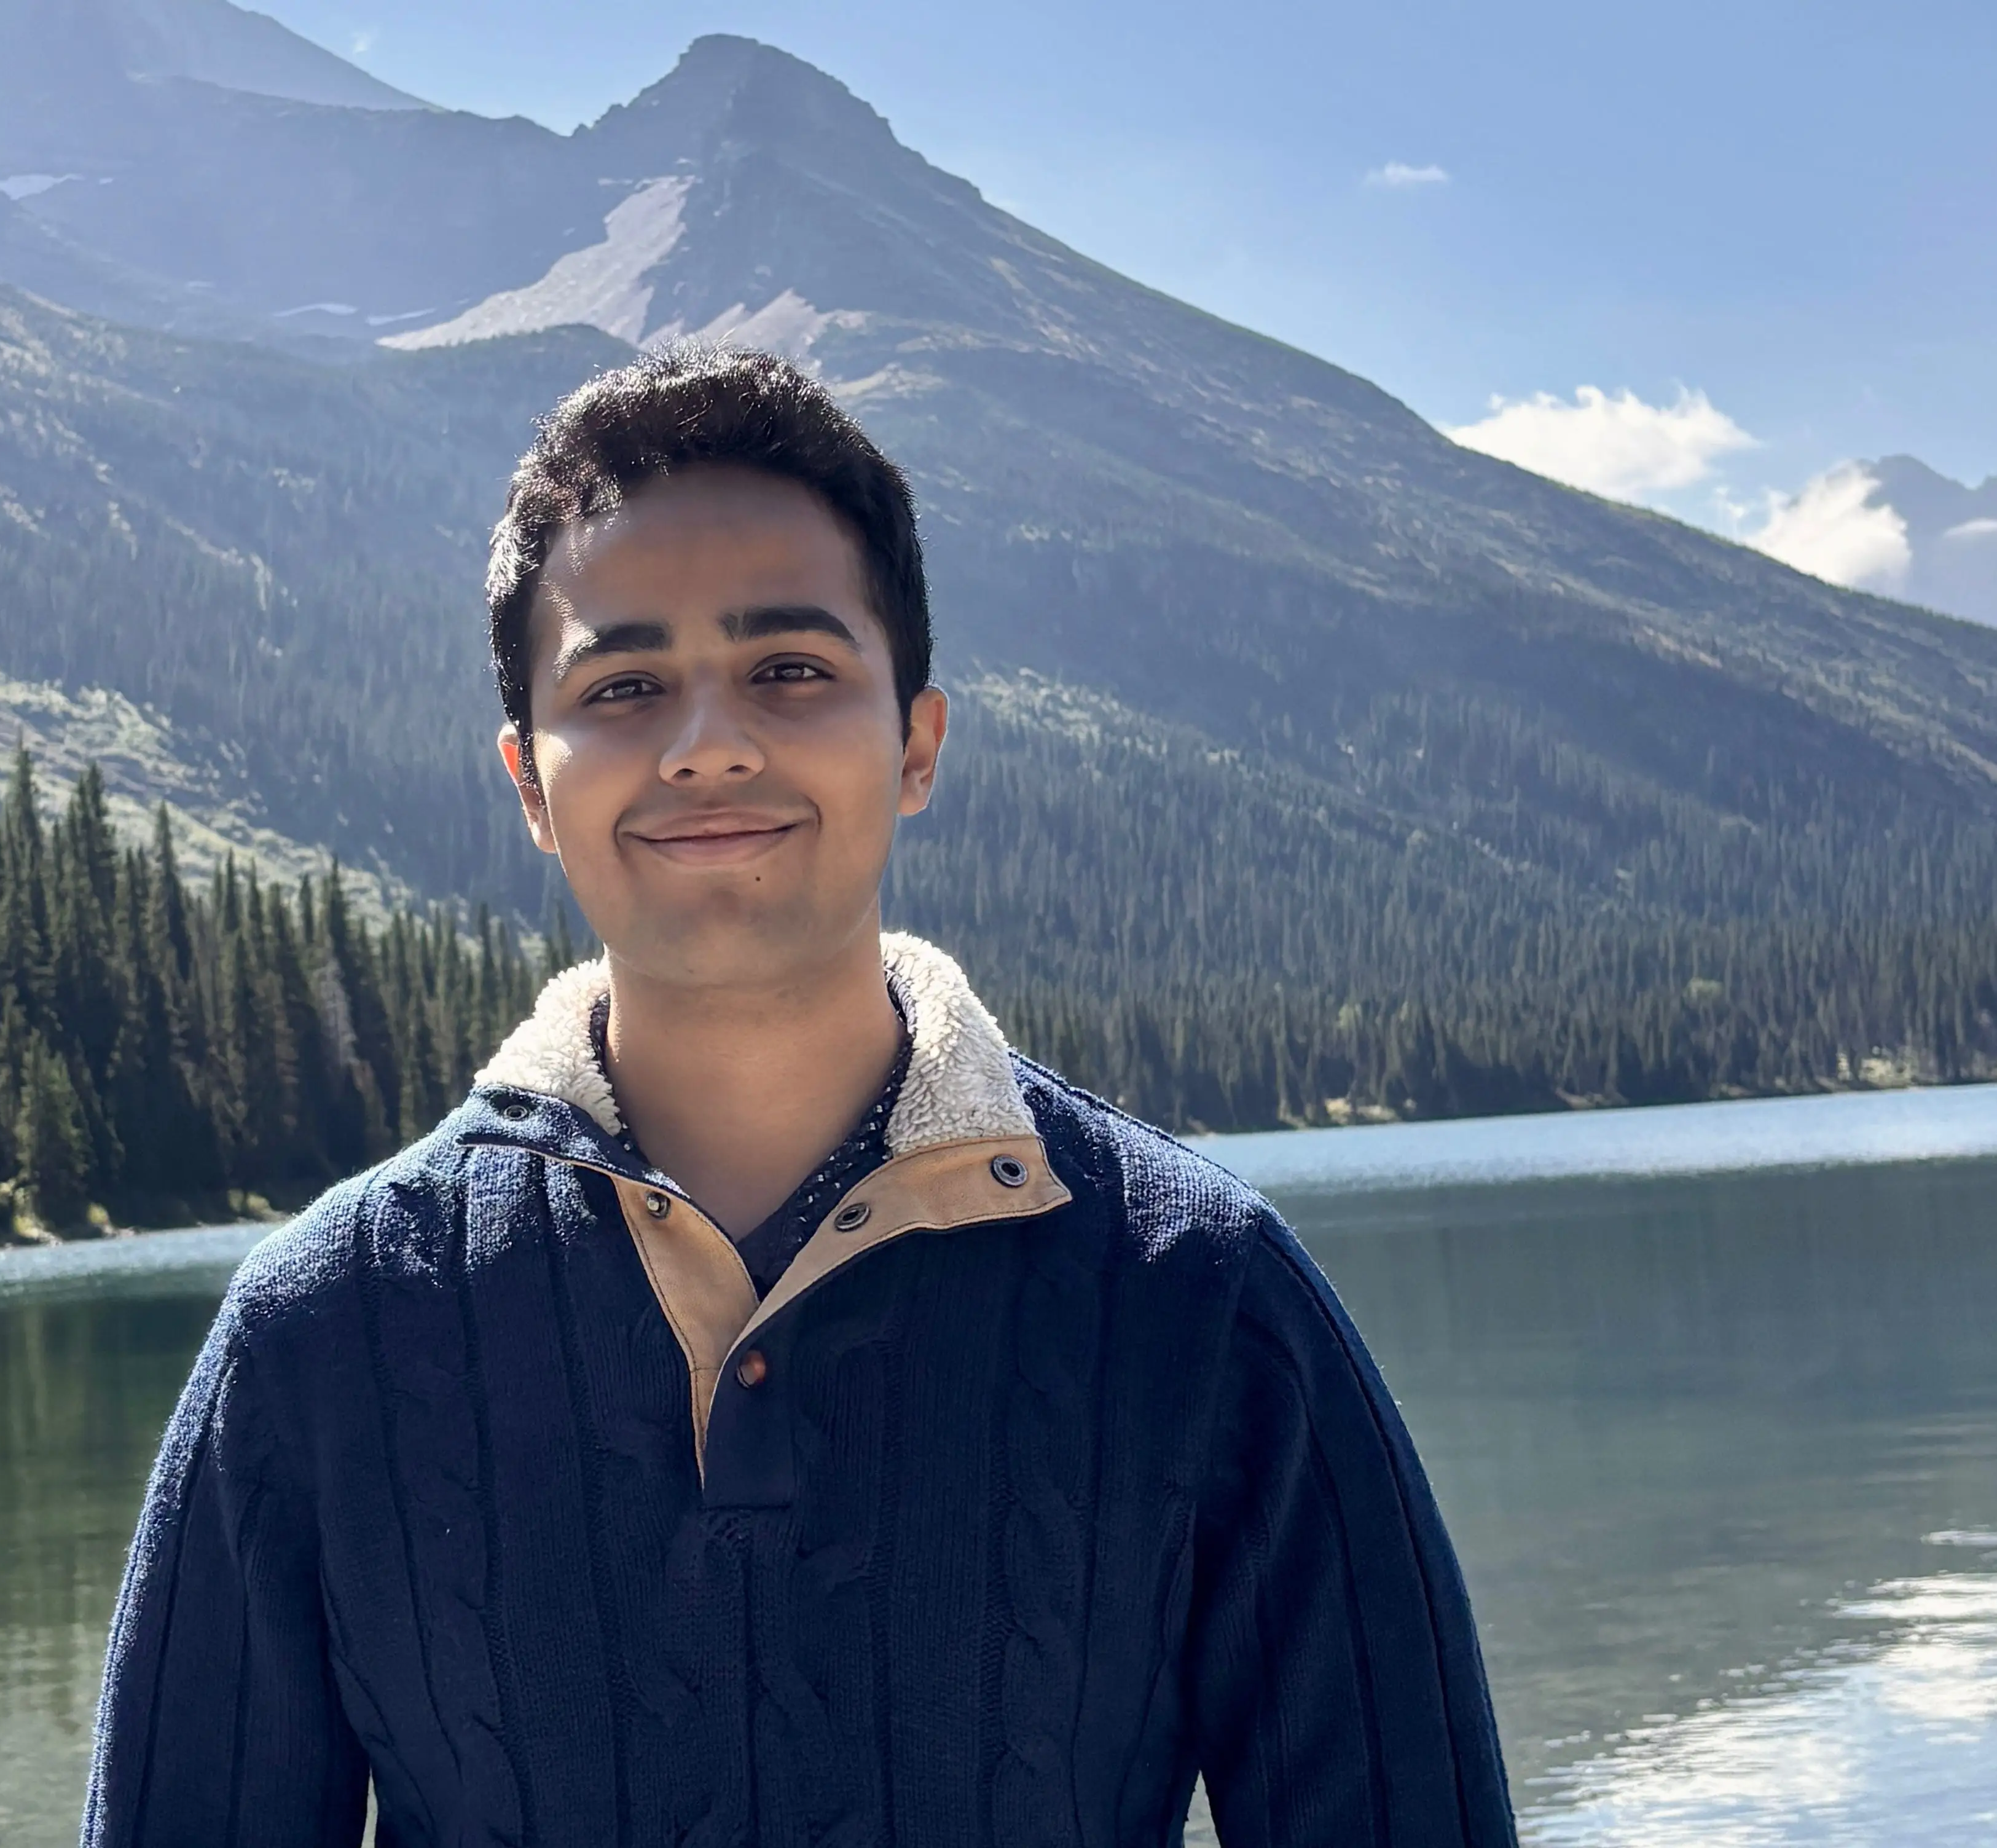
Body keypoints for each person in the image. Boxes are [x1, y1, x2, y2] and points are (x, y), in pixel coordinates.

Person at [82, 345, 1518, 1847]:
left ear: (914, 743)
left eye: (790, 670)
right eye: (625, 685)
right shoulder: (323, 1333)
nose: (710, 744)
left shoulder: (1202, 1298)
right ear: (526, 781)